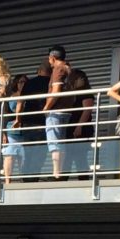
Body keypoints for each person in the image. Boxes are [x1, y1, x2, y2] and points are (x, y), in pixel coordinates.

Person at [43, 46, 73, 179]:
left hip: (56, 111)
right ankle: (59, 172)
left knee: (54, 142)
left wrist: (47, 107)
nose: (49, 62)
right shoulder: (68, 69)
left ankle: (56, 173)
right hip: (66, 110)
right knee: (61, 142)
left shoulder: (58, 69)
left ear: (53, 58)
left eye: (49, 59)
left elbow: (55, 92)